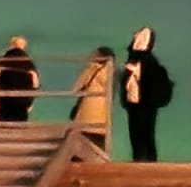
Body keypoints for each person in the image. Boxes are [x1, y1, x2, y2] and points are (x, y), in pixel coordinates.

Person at [119, 26, 173, 163]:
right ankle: (147, 161)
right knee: (147, 134)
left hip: (138, 103)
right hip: (146, 103)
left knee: (139, 135)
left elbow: (128, 82)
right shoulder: (151, 62)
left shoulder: (138, 61)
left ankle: (141, 160)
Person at [70, 46, 115, 148]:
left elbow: (75, 89)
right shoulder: (112, 72)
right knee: (99, 147)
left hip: (86, 115)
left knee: (82, 147)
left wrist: (88, 68)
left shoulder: (91, 69)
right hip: (103, 116)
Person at [0, 36, 39, 125]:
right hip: (22, 101)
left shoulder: (2, 61)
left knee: (3, 124)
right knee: (19, 125)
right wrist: (30, 102)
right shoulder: (29, 63)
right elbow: (35, 83)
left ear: (10, 45)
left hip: (4, 100)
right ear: (23, 47)